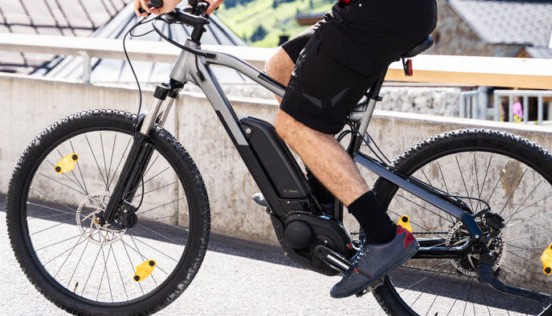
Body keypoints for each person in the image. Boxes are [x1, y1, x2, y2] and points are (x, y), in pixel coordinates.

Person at [135, 0, 437, 298]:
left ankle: (383, 237)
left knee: (295, 126)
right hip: (371, 10)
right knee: (280, 67)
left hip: (381, 12)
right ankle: (321, 196)